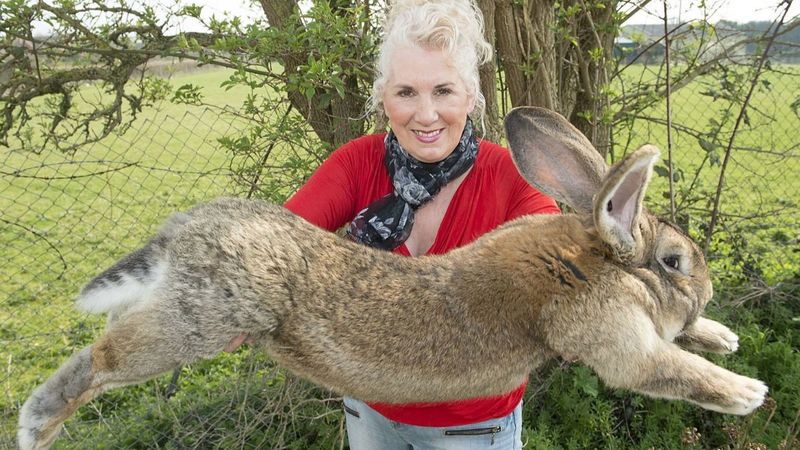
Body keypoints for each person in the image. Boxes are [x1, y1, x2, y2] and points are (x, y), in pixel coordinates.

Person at [282, 1, 560, 448]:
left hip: (471, 426)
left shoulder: (512, 180)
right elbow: (272, 243)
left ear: (470, 95)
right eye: (407, 92)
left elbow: (555, 275)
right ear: (383, 97)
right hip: (370, 409)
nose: (425, 114)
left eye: (443, 91)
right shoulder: (357, 164)